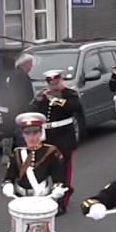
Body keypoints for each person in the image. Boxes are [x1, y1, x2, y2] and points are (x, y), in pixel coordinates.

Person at [1, 112, 68, 232]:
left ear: (41, 133)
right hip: (22, 203)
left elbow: (59, 178)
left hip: (41, 203)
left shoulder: (51, 152)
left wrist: (57, 191)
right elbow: (10, 174)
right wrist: (7, 184)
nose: (31, 137)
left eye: (35, 133)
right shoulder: (18, 153)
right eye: (27, 133)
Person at [28, 69, 83, 213]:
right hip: (48, 136)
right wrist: (38, 101)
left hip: (64, 136)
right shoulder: (45, 95)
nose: (53, 86)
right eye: (51, 83)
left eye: (56, 83)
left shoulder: (70, 94)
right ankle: (45, 197)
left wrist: (56, 100)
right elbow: (34, 112)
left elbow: (74, 107)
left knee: (63, 170)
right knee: (46, 168)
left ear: (61, 81)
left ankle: (62, 202)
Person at [0, 53, 36, 118]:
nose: (32, 65)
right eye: (31, 63)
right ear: (26, 63)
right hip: (19, 111)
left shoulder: (18, 74)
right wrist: (25, 109)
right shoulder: (20, 76)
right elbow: (21, 94)